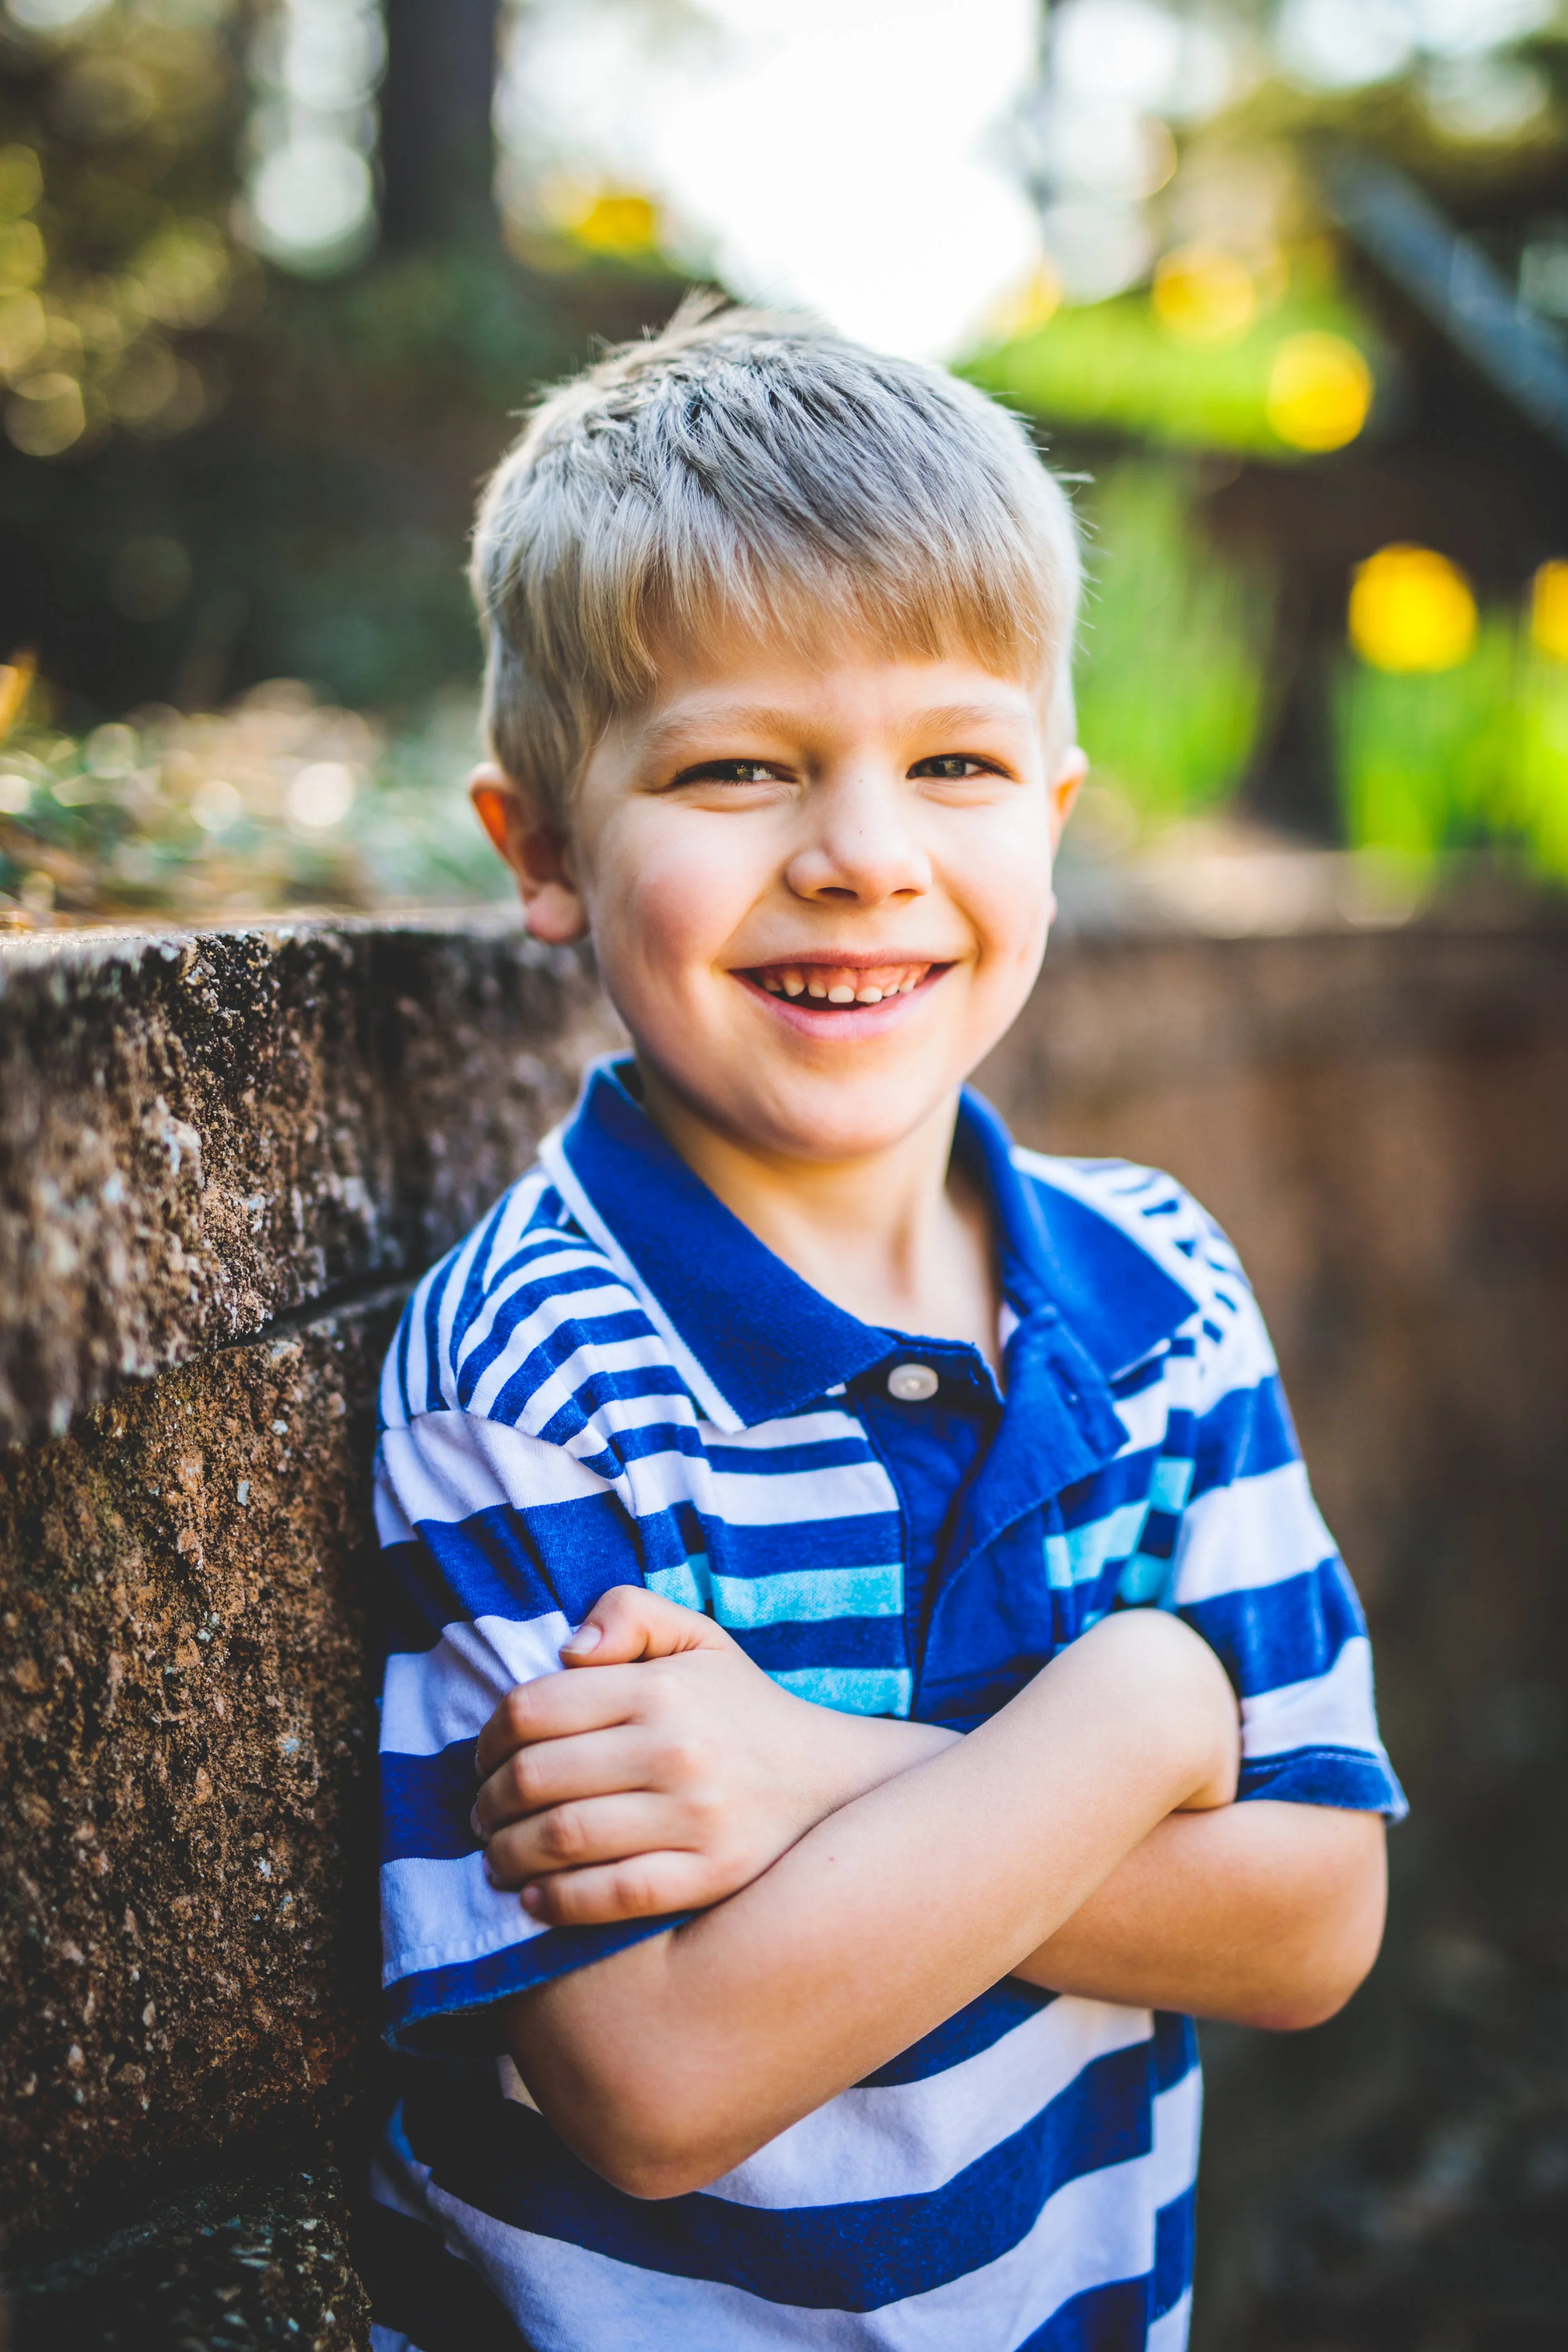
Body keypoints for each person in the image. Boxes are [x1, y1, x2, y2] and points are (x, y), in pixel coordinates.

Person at [364, 300, 1404, 2352]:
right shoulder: (540, 1364)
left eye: (952, 761)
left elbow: (1314, 1922)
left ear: (1052, 807)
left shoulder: (1158, 1294)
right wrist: (1130, 1721)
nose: (860, 855)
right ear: (548, 848)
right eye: (739, 767)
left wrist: (818, 1771)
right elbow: (650, 2079)